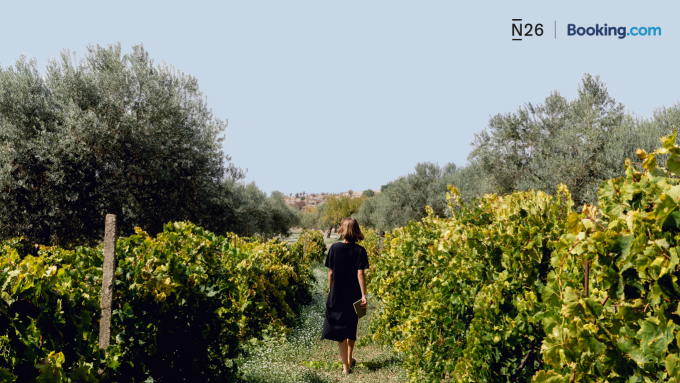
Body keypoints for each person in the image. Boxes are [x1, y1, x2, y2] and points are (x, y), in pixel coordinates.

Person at [321, 217, 369, 375]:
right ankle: (349, 358)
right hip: (354, 294)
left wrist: (330, 289)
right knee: (351, 327)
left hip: (337, 293)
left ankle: (345, 367)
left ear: (342, 230)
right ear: (356, 231)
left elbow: (330, 273)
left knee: (339, 331)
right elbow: (360, 274)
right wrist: (363, 295)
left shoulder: (334, 248)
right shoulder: (360, 251)